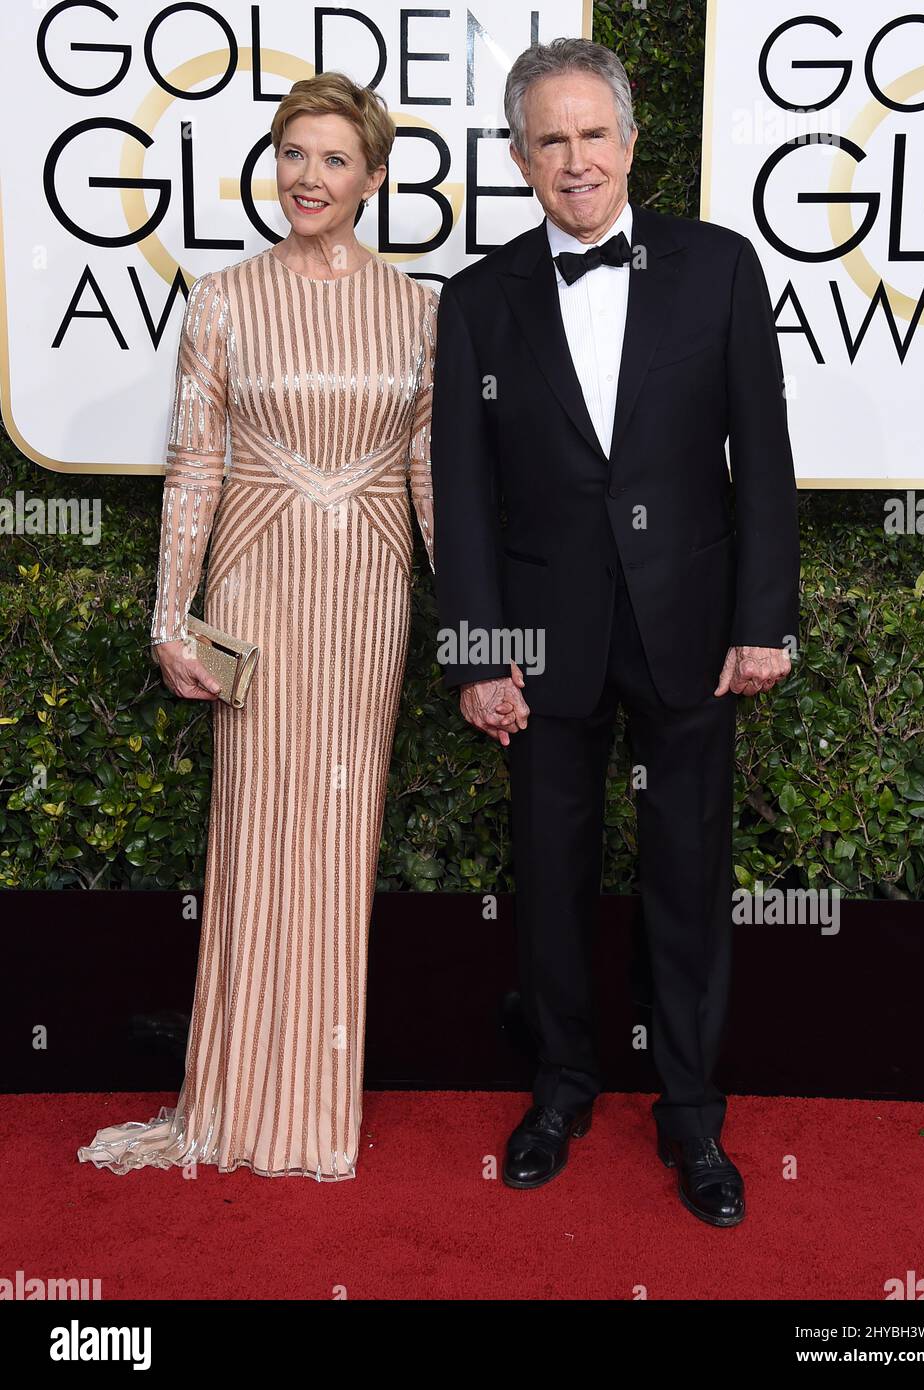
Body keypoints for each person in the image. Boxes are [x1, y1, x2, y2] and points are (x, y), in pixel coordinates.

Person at [429, 37, 799, 1226]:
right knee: (548, 879)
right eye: (551, 139)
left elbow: (767, 460)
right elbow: (462, 494)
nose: (576, 159)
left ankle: (692, 1113)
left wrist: (764, 619)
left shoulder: (722, 268)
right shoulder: (479, 300)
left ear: (635, 142)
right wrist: (477, 654)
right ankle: (560, 1087)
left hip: (690, 624)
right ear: (522, 156)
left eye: (595, 135)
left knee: (689, 876)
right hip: (541, 640)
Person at [78, 72, 438, 1182]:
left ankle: (318, 1105)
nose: (309, 177)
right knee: (258, 827)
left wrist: (476, 626)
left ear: (373, 177)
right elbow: (196, 465)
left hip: (370, 588)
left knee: (341, 825)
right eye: (293, 154)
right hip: (258, 586)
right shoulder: (224, 298)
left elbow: (432, 472)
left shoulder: (424, 307)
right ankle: (236, 1095)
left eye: (334, 159)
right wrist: (169, 614)